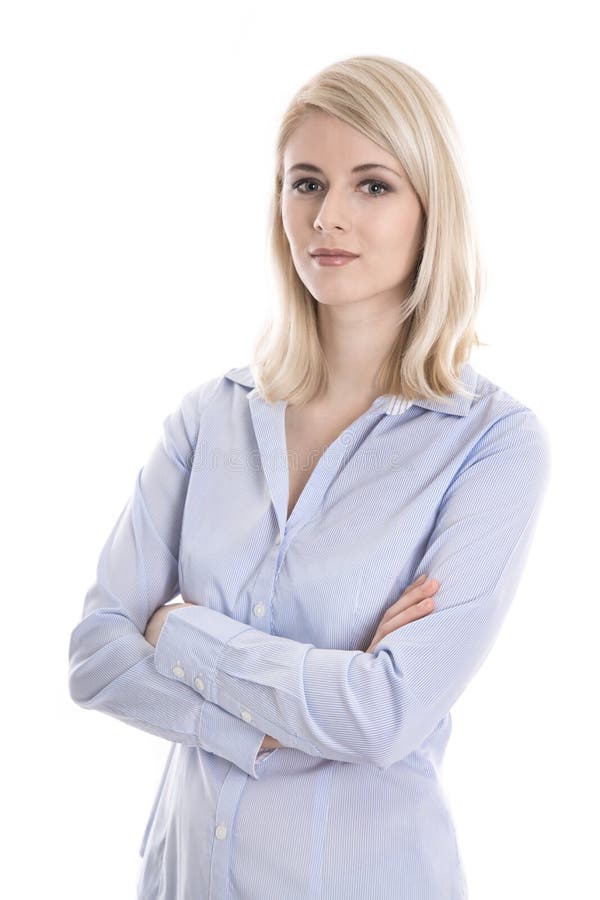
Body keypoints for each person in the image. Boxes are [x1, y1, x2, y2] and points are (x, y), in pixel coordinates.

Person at [67, 55, 551, 899]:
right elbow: (96, 655)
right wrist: (272, 726)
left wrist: (180, 636)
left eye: (372, 185)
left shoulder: (492, 446)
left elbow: (383, 713)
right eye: (305, 183)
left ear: (431, 208)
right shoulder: (208, 418)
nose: (327, 217)